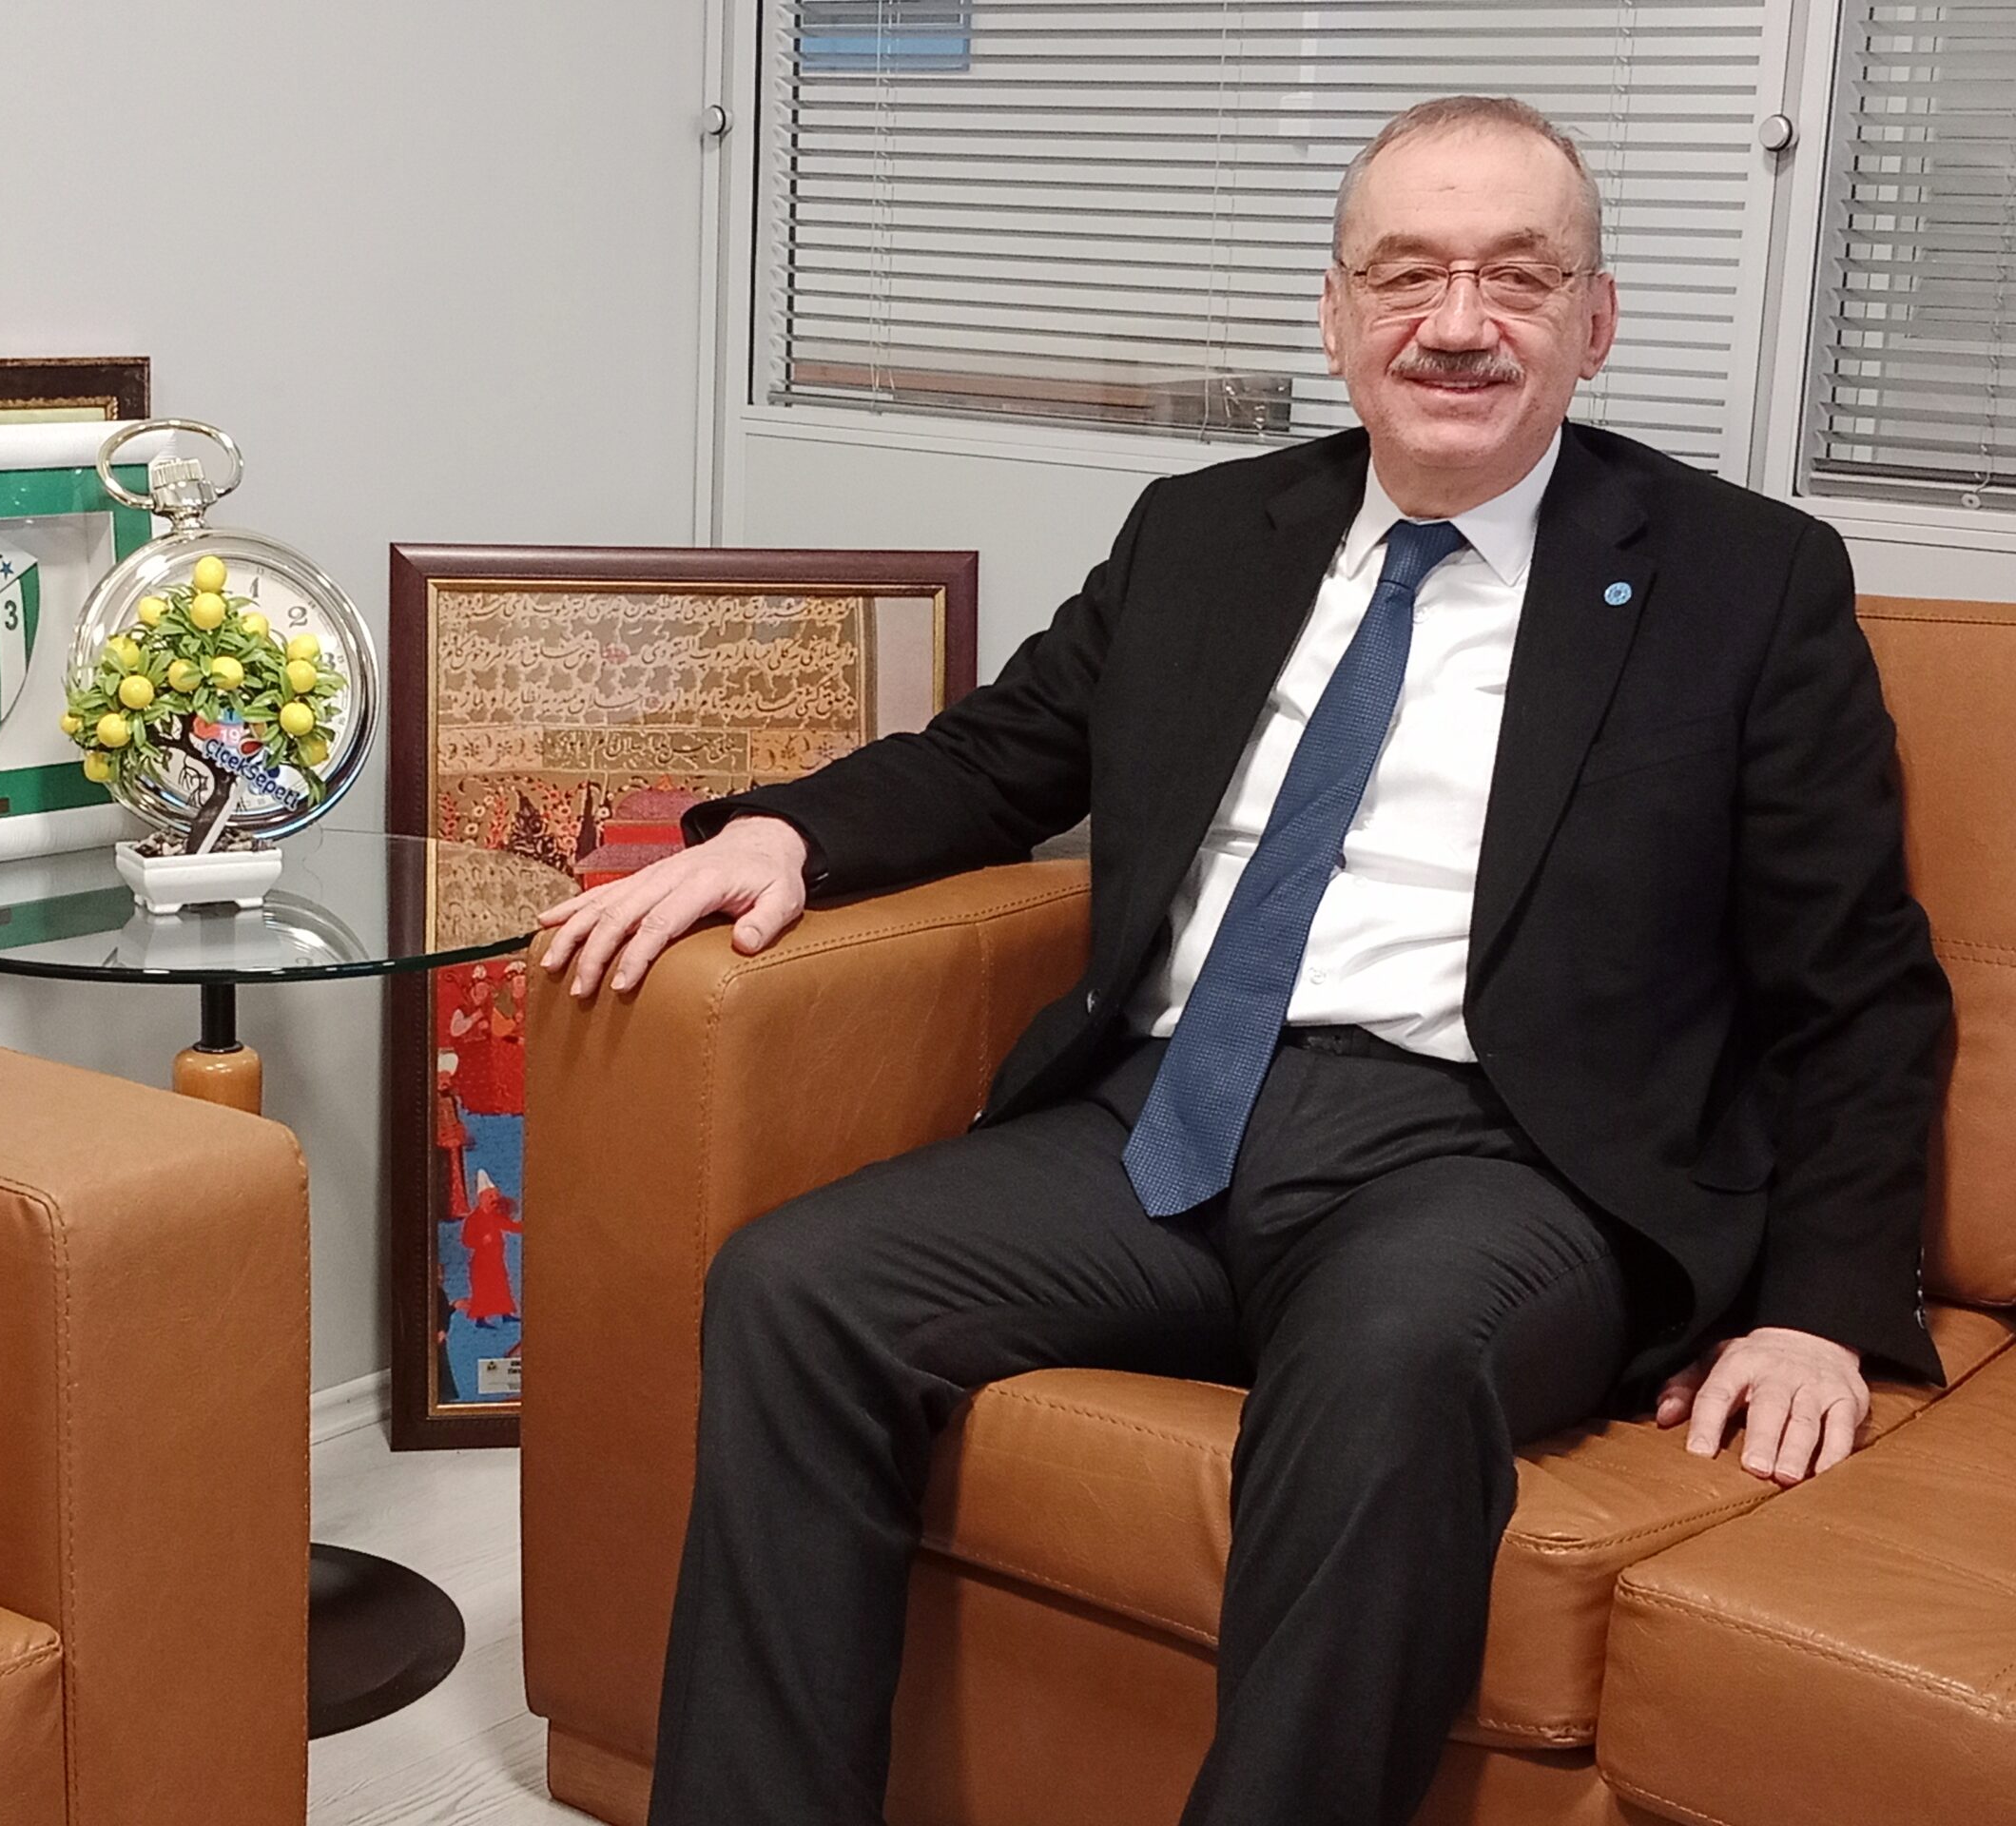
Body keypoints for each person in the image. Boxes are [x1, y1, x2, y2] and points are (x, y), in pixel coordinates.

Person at [536, 95, 1948, 1826]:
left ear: (1595, 322)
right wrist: (785, 835)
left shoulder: (1745, 581)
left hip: (1500, 1161)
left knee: (1387, 1368)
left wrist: (1819, 1313)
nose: (1456, 323)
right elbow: (1001, 755)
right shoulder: (1205, 533)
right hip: (1168, 1118)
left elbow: (1855, 983)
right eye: (1406, 275)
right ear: (1337, 313)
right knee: (797, 1286)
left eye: (1516, 278)